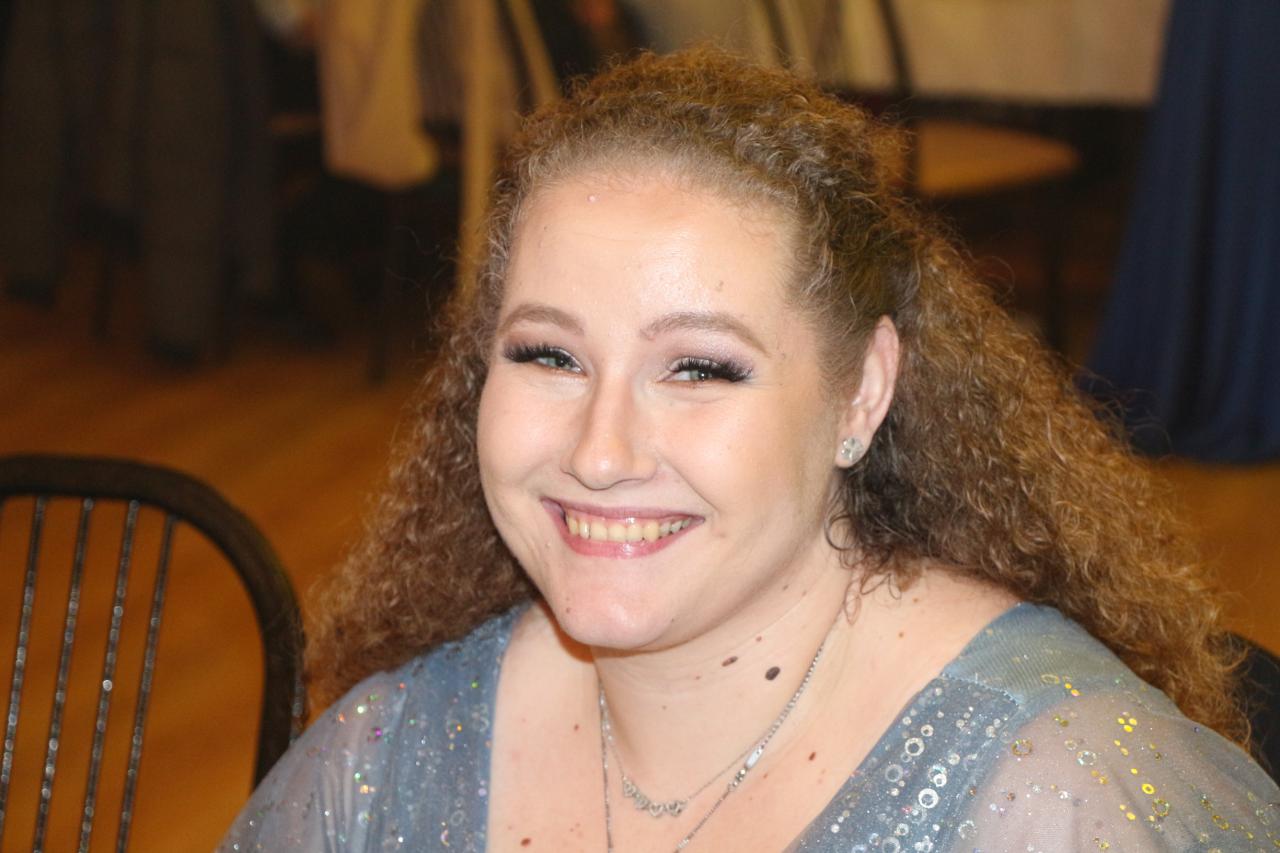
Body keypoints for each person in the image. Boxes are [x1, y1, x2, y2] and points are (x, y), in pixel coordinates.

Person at [218, 48, 1279, 851]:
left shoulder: (1052, 794)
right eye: (549, 354)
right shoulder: (392, 753)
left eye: (699, 367)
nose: (599, 452)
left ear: (862, 390)